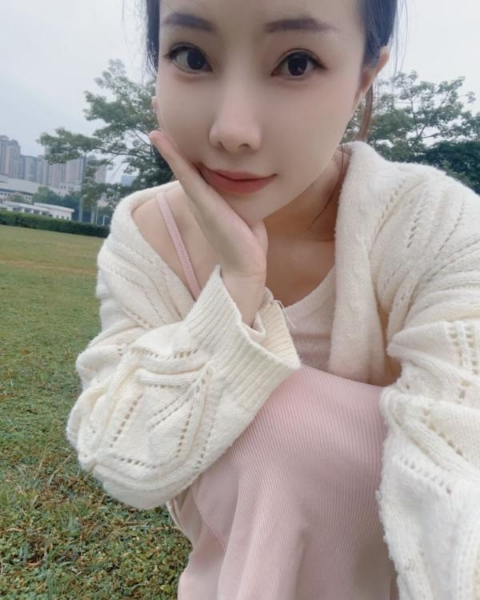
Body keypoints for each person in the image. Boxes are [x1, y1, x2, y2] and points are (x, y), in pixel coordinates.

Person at [66, 0, 480, 598]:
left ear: (363, 78)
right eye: (191, 56)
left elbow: (461, 481)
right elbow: (122, 457)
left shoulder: (437, 227)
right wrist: (235, 292)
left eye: (296, 63)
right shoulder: (149, 237)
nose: (232, 130)